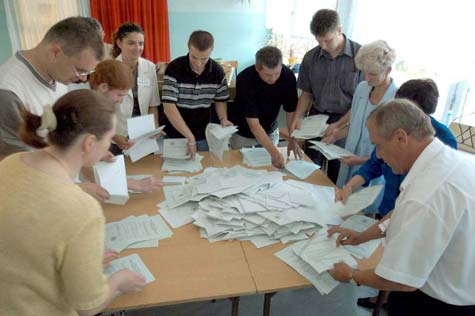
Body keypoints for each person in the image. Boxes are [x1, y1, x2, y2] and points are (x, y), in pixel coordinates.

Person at [0, 90, 146, 316]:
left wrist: (83, 257)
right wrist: (119, 280)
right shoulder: (82, 209)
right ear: (89, 143)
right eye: (108, 140)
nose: (108, 149)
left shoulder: (10, 163)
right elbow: (87, 306)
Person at [328, 99, 475, 315]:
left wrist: (351, 275)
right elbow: (402, 213)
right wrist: (362, 237)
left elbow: (400, 280)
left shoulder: (425, 194)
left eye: (378, 145)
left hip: (436, 303)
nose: (377, 155)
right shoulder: (449, 161)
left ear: (400, 137)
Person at [336, 79, 457, 217]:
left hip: (411, 215)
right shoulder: (392, 127)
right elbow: (373, 163)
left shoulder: (444, 141)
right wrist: (349, 187)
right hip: (387, 209)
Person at [0, 16, 103, 156]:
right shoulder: (9, 92)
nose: (83, 78)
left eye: (88, 72)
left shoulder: (57, 75)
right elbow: (19, 165)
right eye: (80, 70)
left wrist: (89, 151)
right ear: (55, 52)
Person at [289, 9, 363, 182]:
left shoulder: (360, 57)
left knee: (339, 172)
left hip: (347, 121)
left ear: (339, 30)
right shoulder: (310, 58)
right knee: (310, 169)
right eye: (318, 40)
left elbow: (361, 102)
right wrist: (297, 117)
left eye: (327, 40)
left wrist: (339, 125)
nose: (322, 45)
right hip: (316, 118)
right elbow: (306, 92)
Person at [323, 40, 397, 188]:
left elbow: (392, 149)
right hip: (349, 158)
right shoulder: (362, 88)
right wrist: (335, 135)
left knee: (364, 206)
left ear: (388, 70)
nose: (367, 78)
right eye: (365, 73)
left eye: (372, 74)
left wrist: (361, 160)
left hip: (372, 168)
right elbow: (355, 124)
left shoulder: (396, 99)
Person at [88, 59, 163, 193]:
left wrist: (110, 143)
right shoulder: (86, 110)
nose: (120, 100)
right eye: (119, 95)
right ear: (103, 87)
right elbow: (86, 169)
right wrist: (133, 184)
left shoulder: (102, 106)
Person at [161, 30, 232, 159]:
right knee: (174, 172)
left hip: (202, 134)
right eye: (194, 57)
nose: (198, 63)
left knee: (201, 171)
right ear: (188, 48)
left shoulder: (217, 72)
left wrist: (223, 119)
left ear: (211, 51)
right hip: (175, 133)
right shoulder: (174, 68)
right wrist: (189, 136)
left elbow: (220, 100)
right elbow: (169, 107)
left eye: (204, 58)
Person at [229, 46, 303, 168]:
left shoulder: (287, 76)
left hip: (270, 130)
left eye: (277, 73)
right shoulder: (245, 78)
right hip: (243, 134)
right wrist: (274, 152)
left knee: (270, 172)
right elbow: (254, 124)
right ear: (257, 69)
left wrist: (292, 138)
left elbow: (290, 111)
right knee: (241, 171)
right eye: (268, 75)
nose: (273, 79)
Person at [111, 22, 161, 153]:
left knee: (147, 171)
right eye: (131, 43)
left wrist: (154, 126)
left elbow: (153, 103)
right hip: (118, 134)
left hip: (144, 134)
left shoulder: (149, 67)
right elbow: (100, 111)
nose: (137, 48)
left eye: (141, 43)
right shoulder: (109, 69)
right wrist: (115, 137)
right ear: (119, 43)